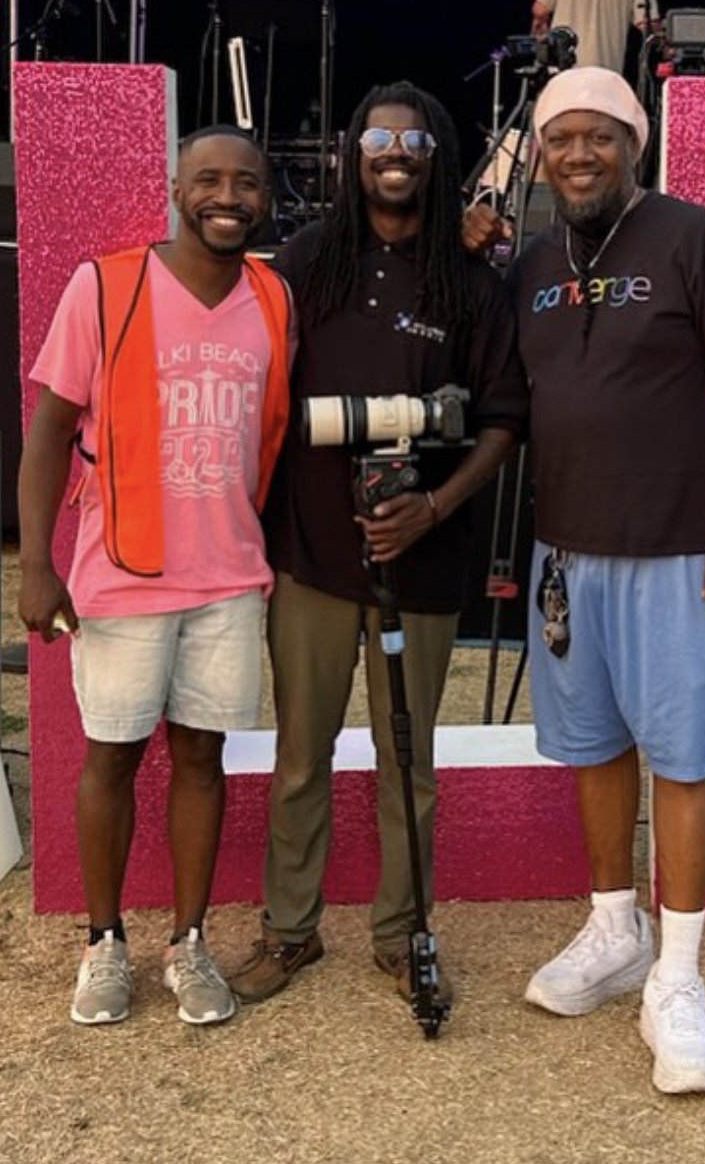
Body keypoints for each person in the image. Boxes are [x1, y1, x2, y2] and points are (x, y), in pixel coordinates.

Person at [507, 67, 705, 1095]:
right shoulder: (531, 262)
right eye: (561, 138)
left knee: (684, 754)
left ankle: (677, 974)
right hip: (567, 553)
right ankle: (613, 930)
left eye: (601, 137)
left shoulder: (693, 237)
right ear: (539, 153)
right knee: (593, 744)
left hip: (678, 549)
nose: (579, 154)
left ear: (636, 143)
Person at [231, 82, 528, 1008]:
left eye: (415, 138)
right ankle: (291, 931)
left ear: (438, 155)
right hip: (314, 554)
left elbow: (505, 420)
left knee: (410, 759)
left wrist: (433, 508)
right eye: (378, 136)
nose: (395, 151)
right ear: (353, 150)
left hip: (427, 562)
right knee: (300, 753)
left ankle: (402, 934)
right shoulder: (310, 258)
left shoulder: (470, 279)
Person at [19, 126, 294, 1028]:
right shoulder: (104, 285)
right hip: (124, 575)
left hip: (226, 579)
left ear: (267, 197)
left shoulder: (272, 297)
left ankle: (188, 942)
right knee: (112, 757)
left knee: (201, 759)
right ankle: (104, 945)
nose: (229, 196)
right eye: (209, 179)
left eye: (246, 183)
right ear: (176, 187)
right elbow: (49, 434)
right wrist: (37, 565)